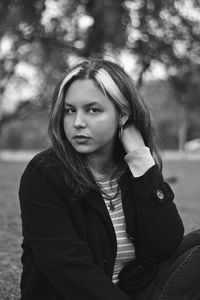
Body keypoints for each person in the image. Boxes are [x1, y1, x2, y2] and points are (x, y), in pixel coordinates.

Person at [19, 58, 200, 300]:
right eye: (70, 110)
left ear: (123, 115)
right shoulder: (45, 173)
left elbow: (164, 245)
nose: (78, 123)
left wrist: (141, 162)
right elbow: (69, 270)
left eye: (93, 110)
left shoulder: (131, 169)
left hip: (137, 289)